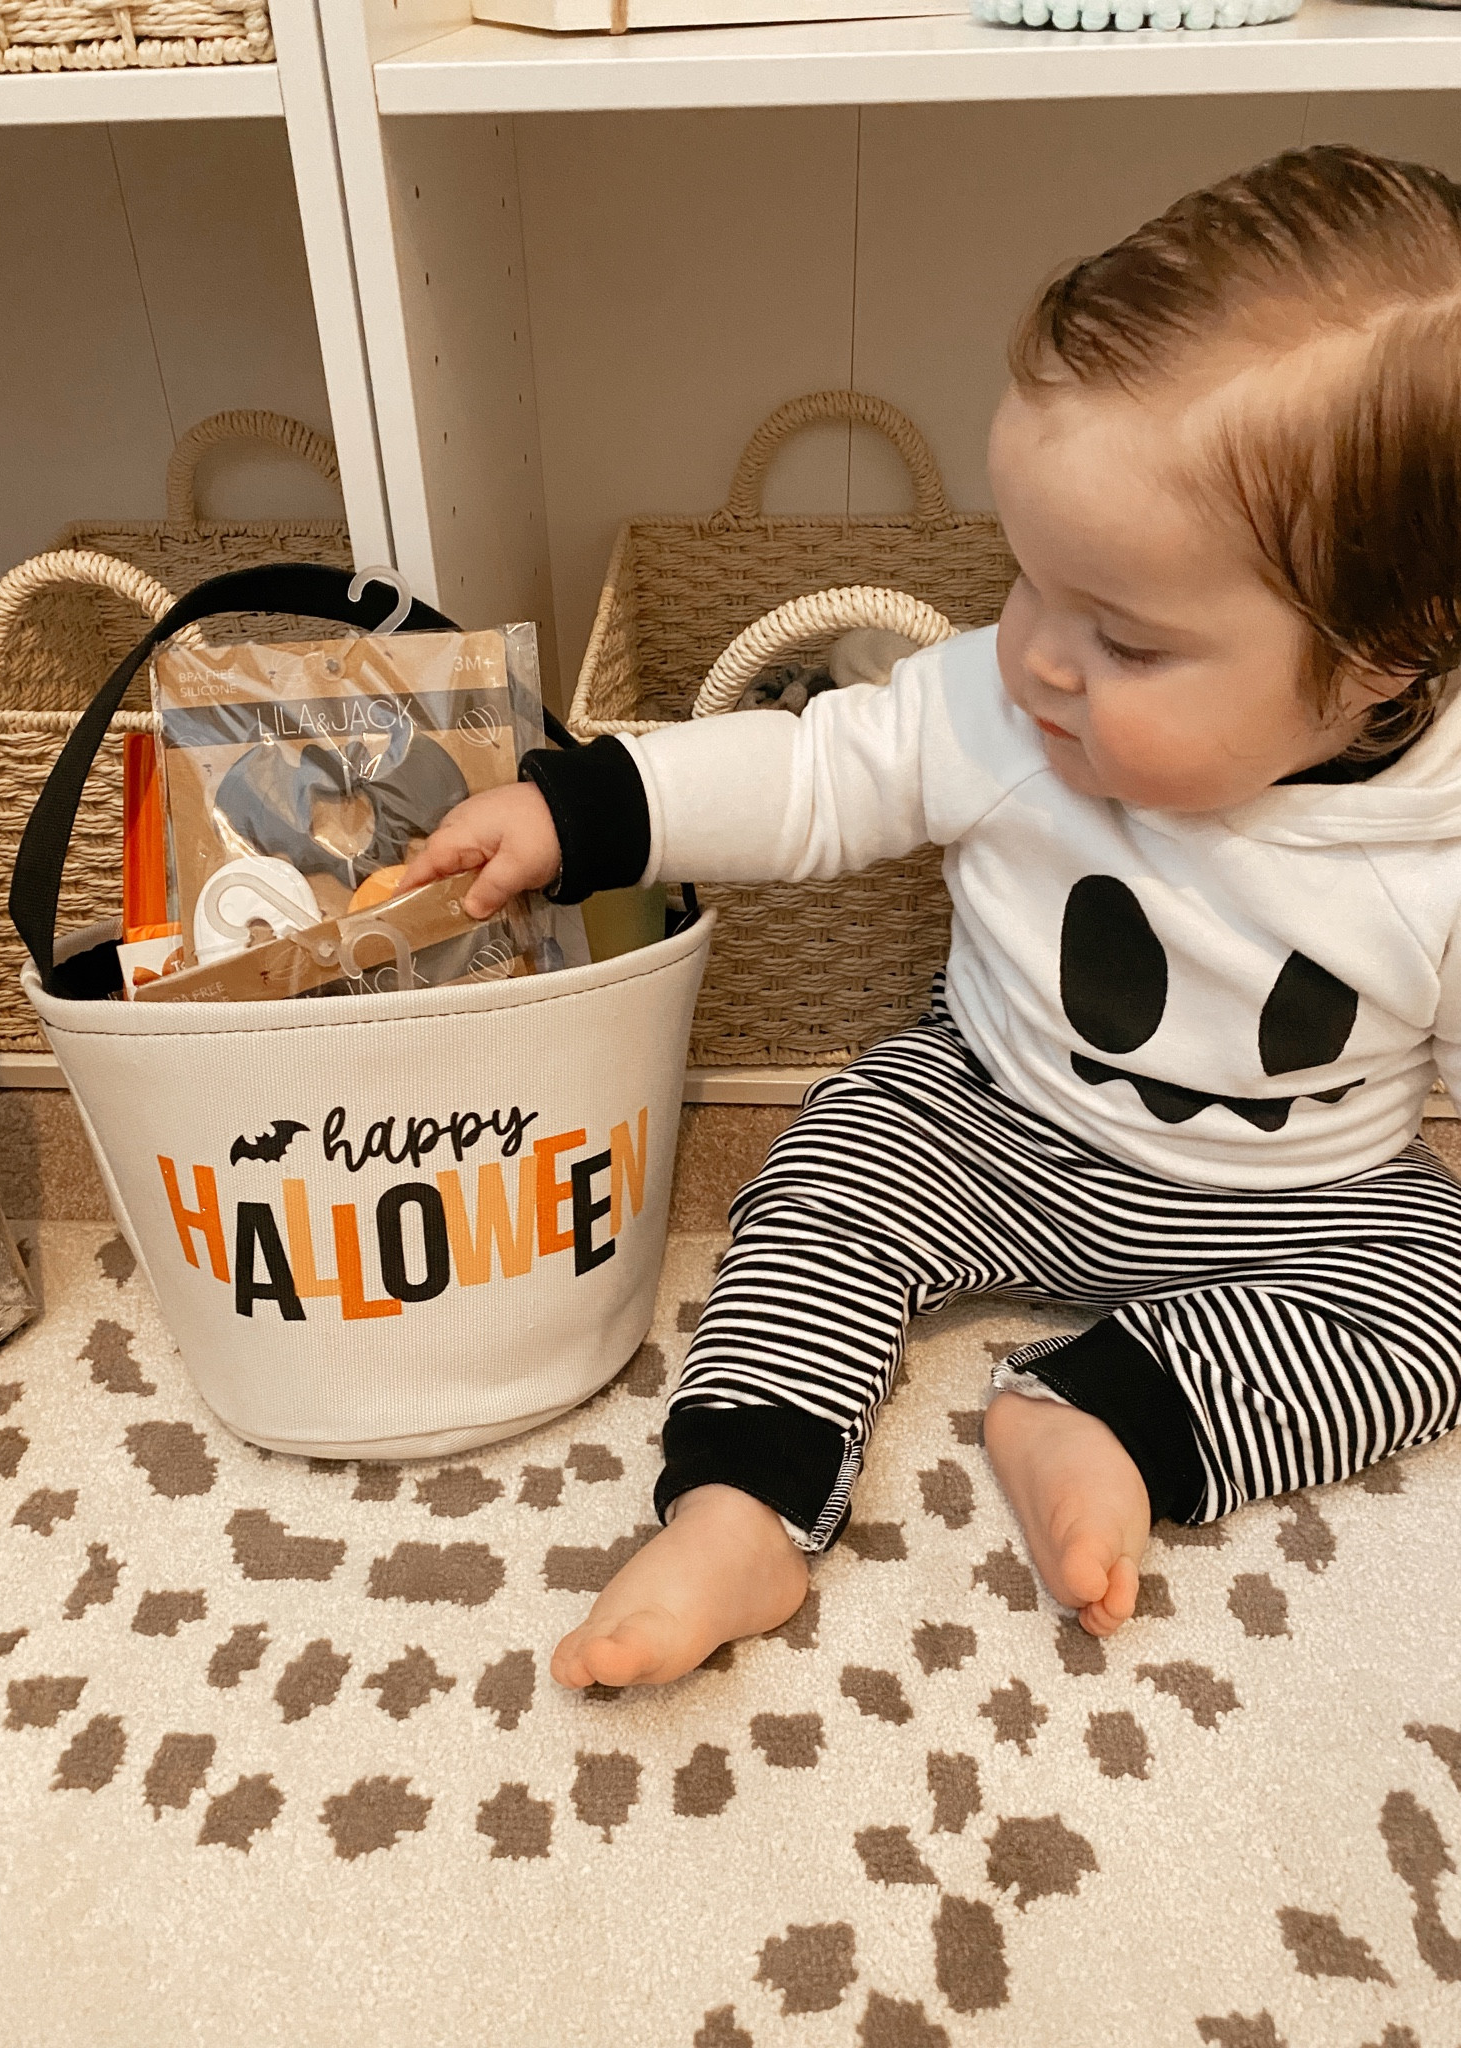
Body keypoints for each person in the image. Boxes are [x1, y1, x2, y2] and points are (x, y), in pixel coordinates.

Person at [402, 145, 1461, 1688]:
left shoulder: (1437, 831)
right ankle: (743, 1505)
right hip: (991, 1122)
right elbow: (819, 775)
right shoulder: (1002, 703)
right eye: (1027, 580)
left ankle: (1107, 1411)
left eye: (1126, 639)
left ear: (1379, 662)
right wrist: (587, 809)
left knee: (1433, 1294)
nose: (1035, 656)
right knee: (831, 1169)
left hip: (1298, 1204)